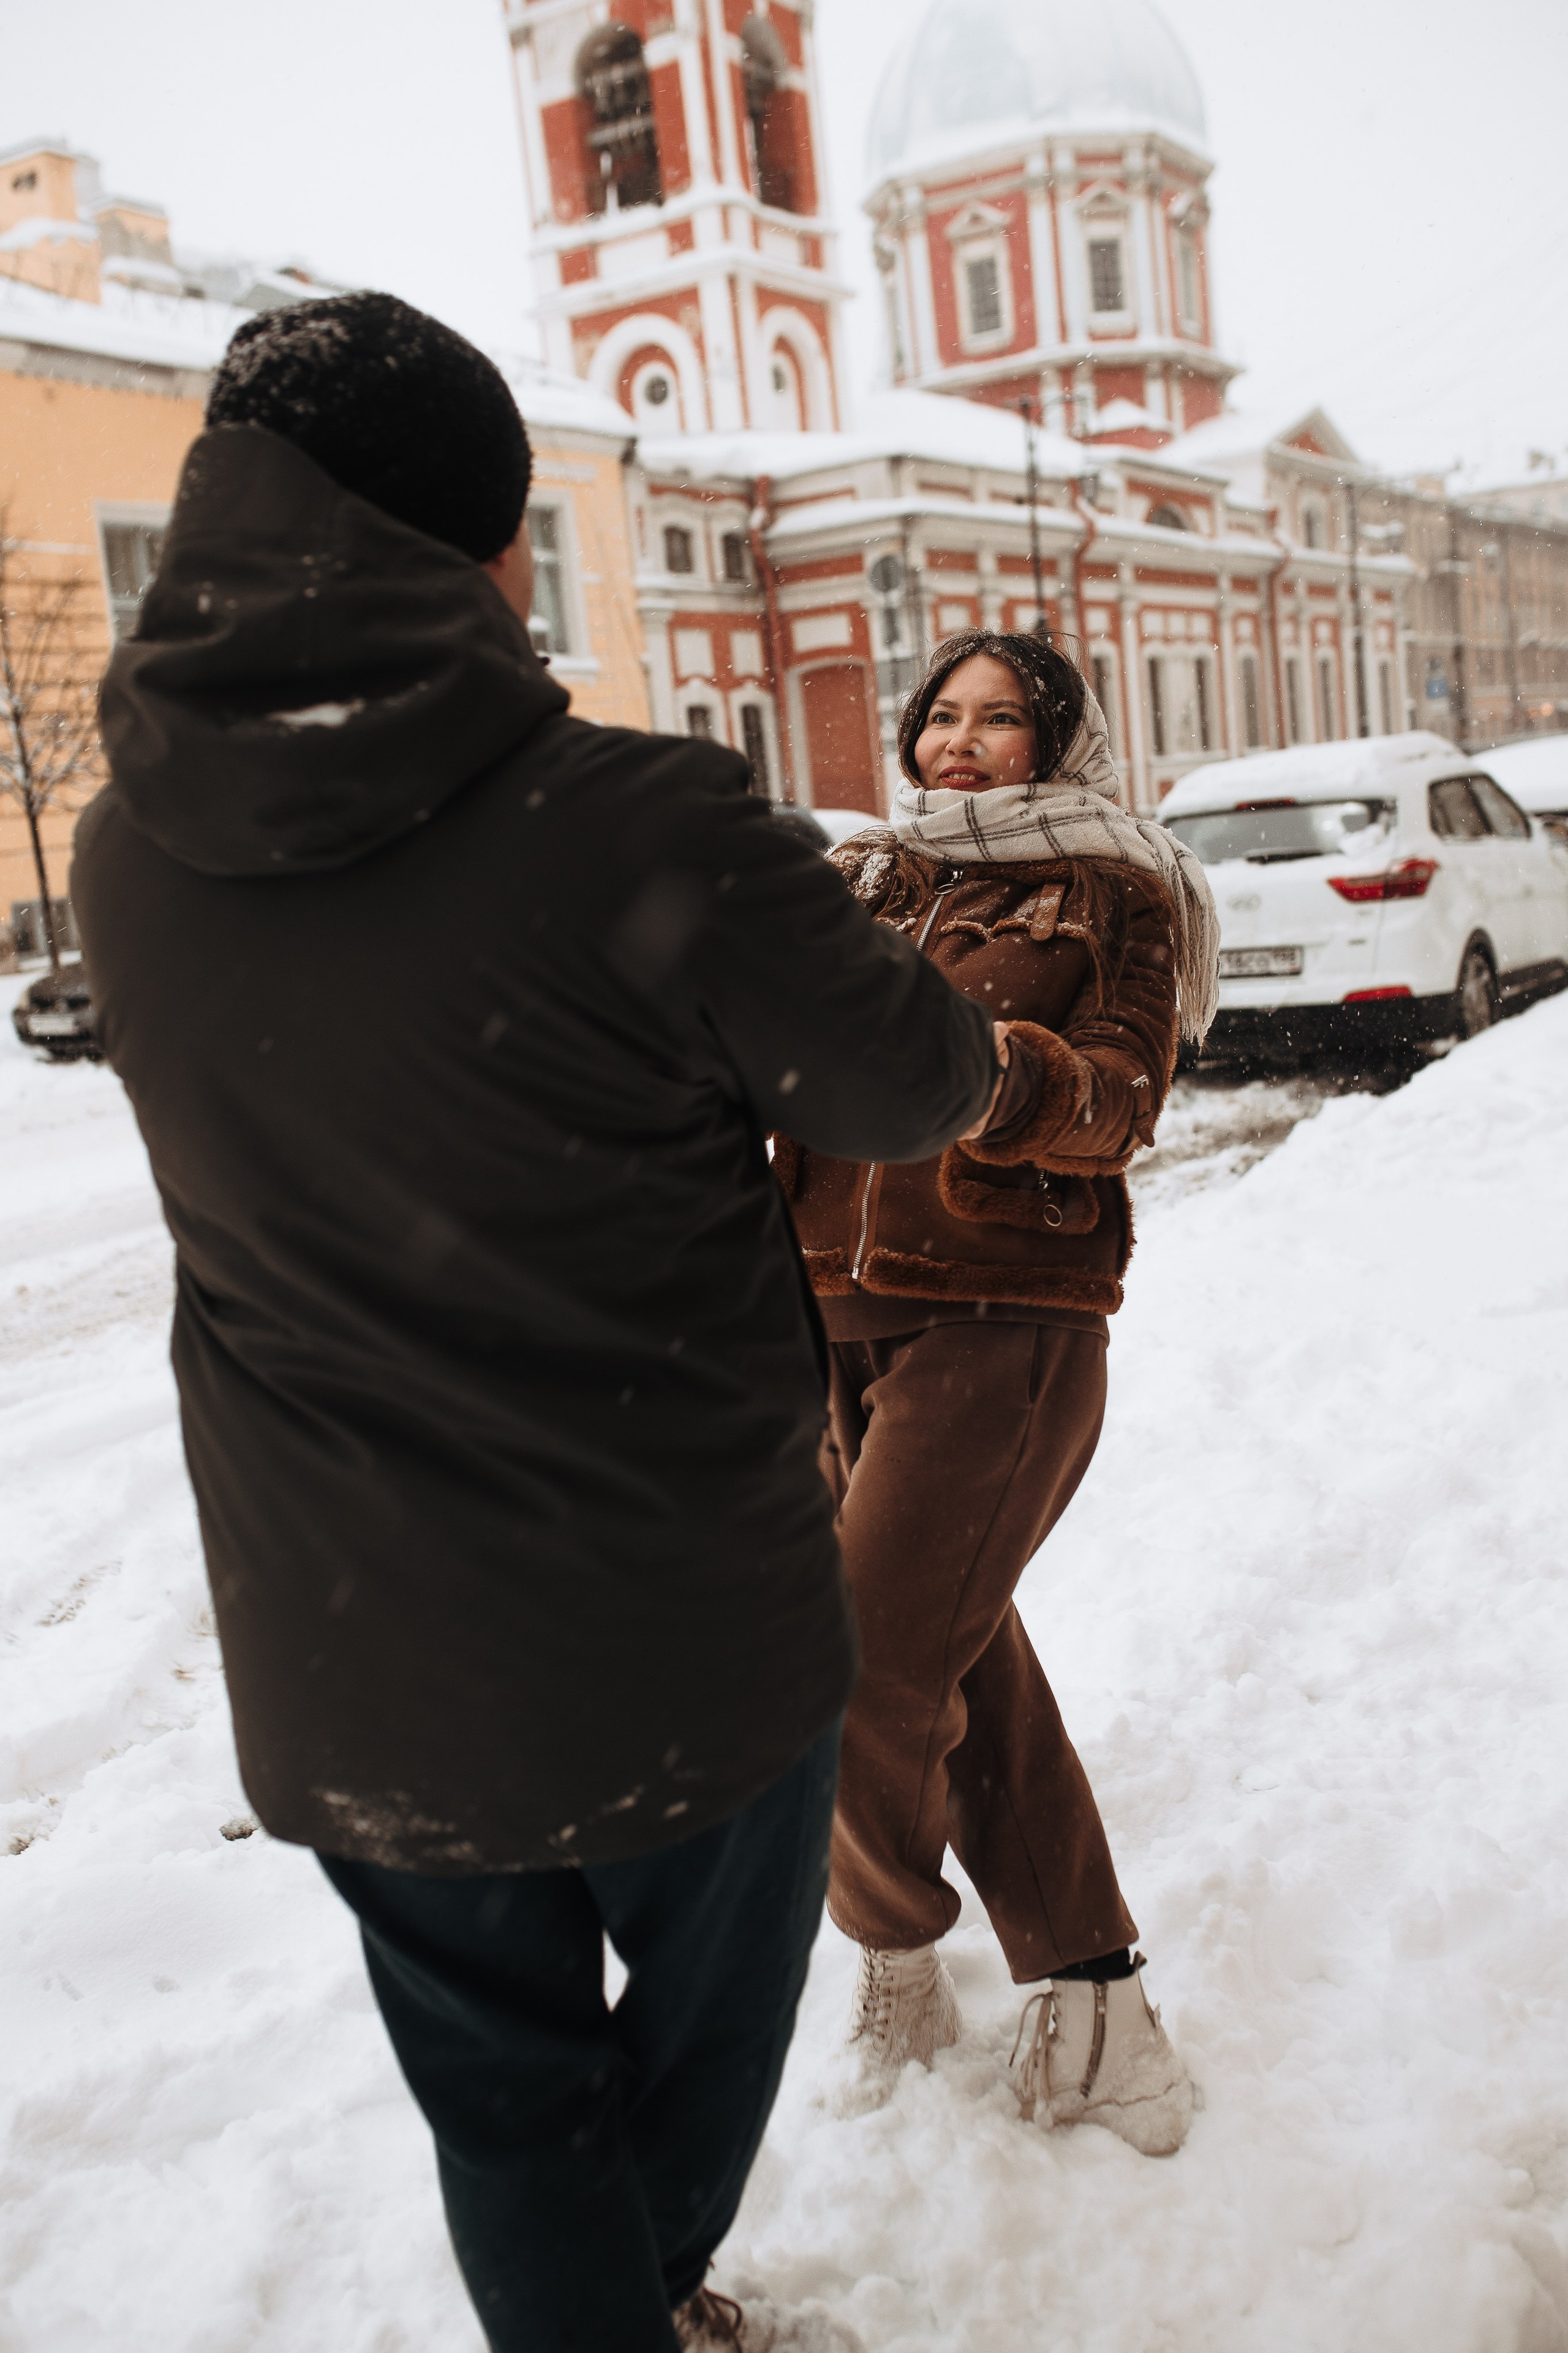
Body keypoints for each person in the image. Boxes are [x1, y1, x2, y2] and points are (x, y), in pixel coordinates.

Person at [72, 293, 1009, 2353]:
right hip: (673, 1634)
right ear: (489, 557)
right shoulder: (644, 827)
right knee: (698, 2045)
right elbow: (918, 1081)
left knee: (504, 2097)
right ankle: (639, 2304)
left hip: (347, 1649)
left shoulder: (126, 852)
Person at [771, 630, 1220, 2155]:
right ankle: (1097, 2002)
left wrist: (986, 1071)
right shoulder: (862, 884)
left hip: (999, 1322)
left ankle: (895, 1949)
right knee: (955, 1663)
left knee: (856, 1671)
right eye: (939, 717)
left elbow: (1120, 1098)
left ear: (1057, 740)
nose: (958, 744)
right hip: (821, 1325)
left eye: (999, 720)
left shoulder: (1114, 889)